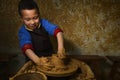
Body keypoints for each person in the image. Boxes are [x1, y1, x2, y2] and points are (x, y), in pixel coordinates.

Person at [18, 0, 65, 66]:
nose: (32, 22)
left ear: (39, 15)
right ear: (22, 19)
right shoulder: (23, 31)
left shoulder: (44, 23)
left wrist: (60, 48)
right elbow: (27, 49)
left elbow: (58, 32)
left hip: (49, 55)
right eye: (28, 19)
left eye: (35, 18)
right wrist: (39, 61)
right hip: (33, 59)